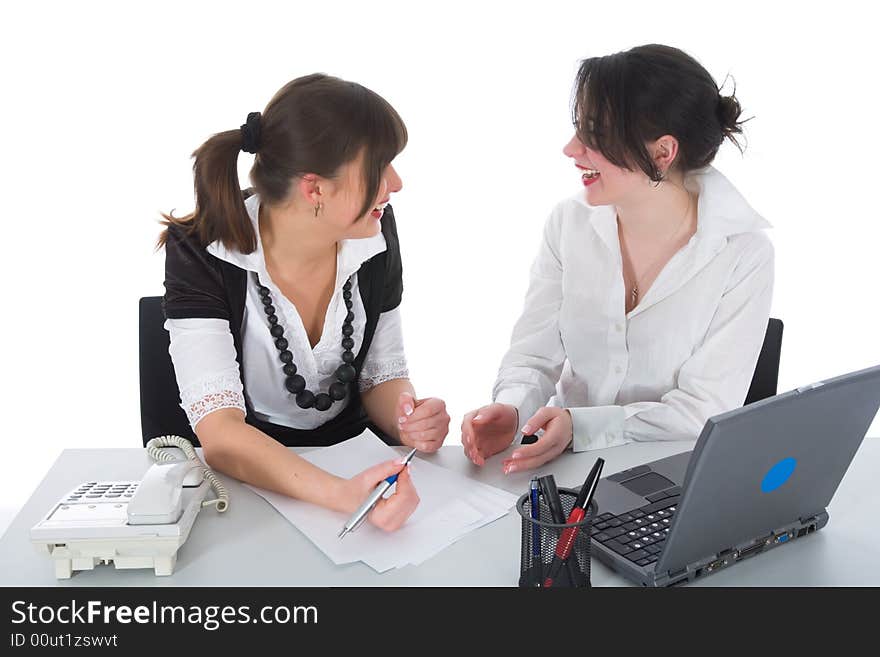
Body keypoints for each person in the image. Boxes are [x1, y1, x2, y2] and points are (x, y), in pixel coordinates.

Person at [462, 44, 774, 474]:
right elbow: (533, 356)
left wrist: (581, 425)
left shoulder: (743, 253)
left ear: (662, 153)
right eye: (577, 129)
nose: (572, 149)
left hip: (669, 474)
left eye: (595, 135)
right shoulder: (569, 223)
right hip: (560, 468)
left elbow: (703, 410)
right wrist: (511, 409)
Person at [159, 74, 450, 531]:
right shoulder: (200, 250)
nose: (396, 182)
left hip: (355, 458)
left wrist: (408, 417)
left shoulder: (374, 233)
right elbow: (220, 433)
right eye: (380, 166)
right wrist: (340, 495)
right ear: (314, 188)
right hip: (250, 488)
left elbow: (382, 376)